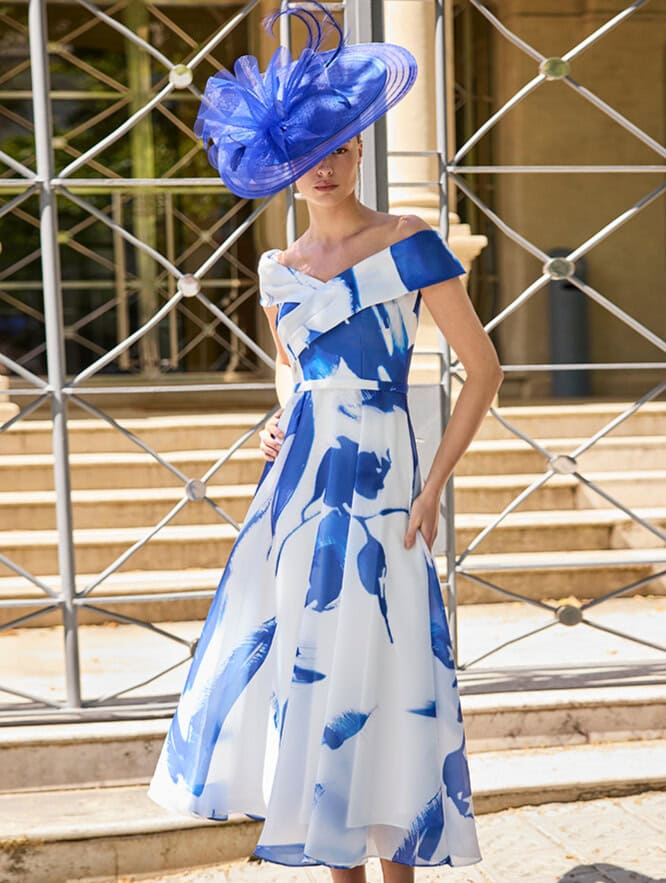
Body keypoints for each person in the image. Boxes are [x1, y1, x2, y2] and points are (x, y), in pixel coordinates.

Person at [149, 4, 502, 880]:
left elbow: (484, 369)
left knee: (387, 663)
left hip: (388, 485)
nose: (325, 167)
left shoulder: (410, 242)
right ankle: (335, 858)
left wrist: (432, 487)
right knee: (312, 666)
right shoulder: (278, 272)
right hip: (300, 495)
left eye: (339, 148)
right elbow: (298, 376)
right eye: (307, 154)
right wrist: (276, 424)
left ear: (359, 149)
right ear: (284, 164)